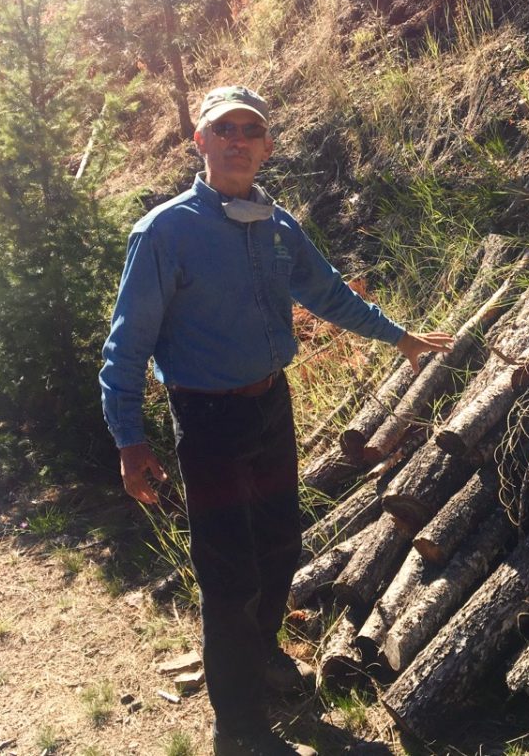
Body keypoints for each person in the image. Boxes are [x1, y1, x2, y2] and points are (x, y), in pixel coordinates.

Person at [99, 85, 453, 756]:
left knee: (282, 545)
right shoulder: (166, 232)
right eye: (223, 129)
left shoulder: (275, 223)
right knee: (228, 570)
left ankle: (258, 655)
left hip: (269, 405)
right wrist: (129, 439)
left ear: (265, 146)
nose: (237, 140)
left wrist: (399, 337)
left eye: (249, 130)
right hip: (205, 420)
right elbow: (127, 344)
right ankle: (238, 728)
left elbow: (325, 292)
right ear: (199, 142)